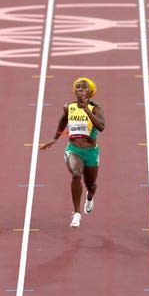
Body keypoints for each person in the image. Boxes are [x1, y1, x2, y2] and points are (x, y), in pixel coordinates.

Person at [40, 77, 105, 228]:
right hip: (73, 149)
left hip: (91, 152)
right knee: (76, 174)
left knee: (91, 186)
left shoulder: (96, 108)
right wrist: (55, 138)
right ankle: (76, 213)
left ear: (90, 91)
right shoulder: (68, 107)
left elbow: (101, 126)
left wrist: (87, 110)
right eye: (77, 86)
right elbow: (63, 121)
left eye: (84, 86)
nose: (80, 88)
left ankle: (89, 198)